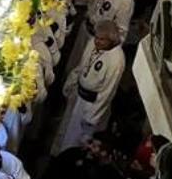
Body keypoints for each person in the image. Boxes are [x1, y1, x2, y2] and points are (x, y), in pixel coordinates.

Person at [52, 24, 126, 155]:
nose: (97, 41)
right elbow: (81, 65)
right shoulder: (93, 43)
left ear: (112, 41)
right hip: (78, 94)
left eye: (102, 39)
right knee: (64, 129)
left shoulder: (117, 60)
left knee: (75, 139)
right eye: (97, 37)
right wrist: (71, 84)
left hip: (90, 104)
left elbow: (107, 92)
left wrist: (92, 116)